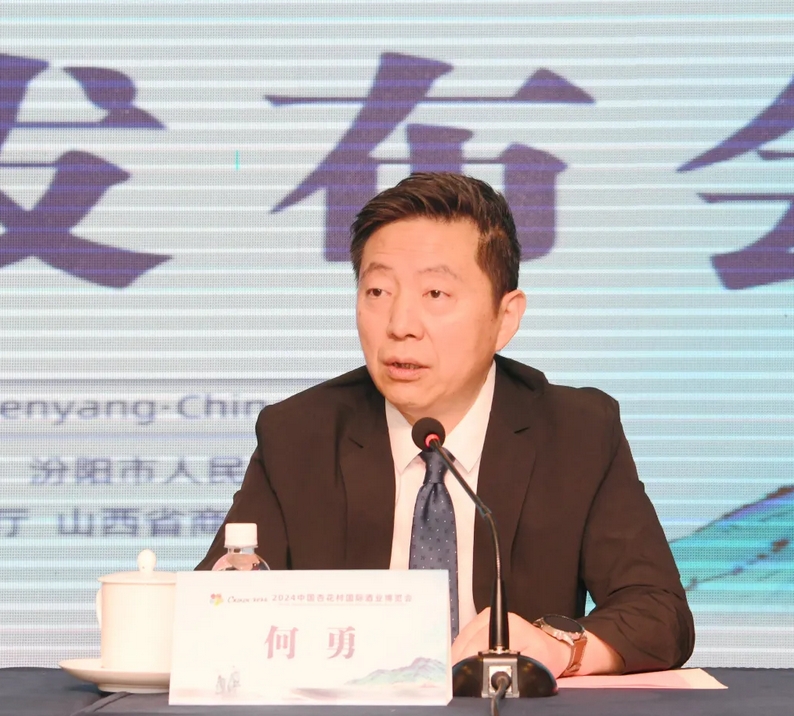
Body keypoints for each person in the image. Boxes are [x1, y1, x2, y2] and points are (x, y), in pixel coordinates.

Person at [197, 172, 695, 677]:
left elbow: (659, 613)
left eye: (435, 294)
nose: (400, 325)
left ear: (505, 318)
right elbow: (213, 612)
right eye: (377, 291)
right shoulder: (299, 434)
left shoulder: (575, 432)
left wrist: (558, 648)